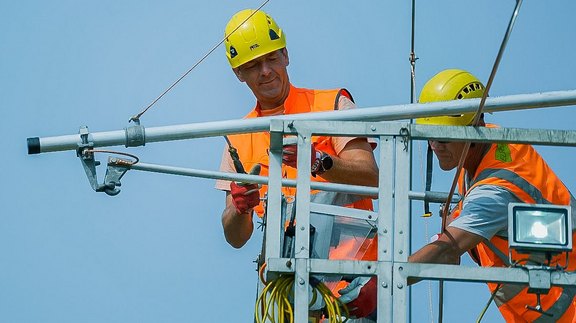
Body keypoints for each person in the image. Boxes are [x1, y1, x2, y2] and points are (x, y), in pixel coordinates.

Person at [215, 9, 380, 320]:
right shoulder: (238, 138)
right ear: (239, 73)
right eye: (252, 65)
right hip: (288, 297)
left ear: (286, 55)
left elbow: (371, 177)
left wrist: (318, 161)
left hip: (354, 285)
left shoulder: (331, 106)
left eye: (272, 59)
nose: (265, 71)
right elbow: (235, 236)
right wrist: (240, 207)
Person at [408, 69, 576, 322]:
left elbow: (447, 250)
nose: (435, 145)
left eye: (443, 136)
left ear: (473, 128)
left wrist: (383, 279)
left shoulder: (496, 189)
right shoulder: (492, 143)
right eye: (429, 136)